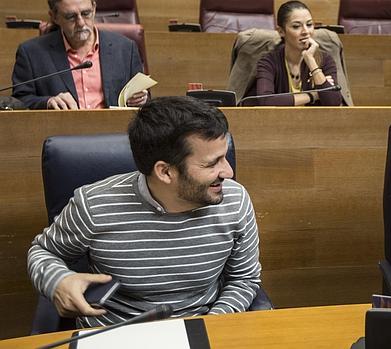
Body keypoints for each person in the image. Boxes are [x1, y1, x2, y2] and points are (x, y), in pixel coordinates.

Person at [27, 96, 262, 328]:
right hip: (115, 333)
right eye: (213, 163)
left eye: (225, 157)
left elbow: (244, 279)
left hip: (202, 326)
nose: (228, 172)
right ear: (165, 172)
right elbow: (43, 252)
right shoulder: (94, 205)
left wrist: (209, 325)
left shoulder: (234, 200)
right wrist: (58, 280)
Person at [11, 0, 147, 110]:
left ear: (94, 8)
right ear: (54, 17)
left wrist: (140, 99)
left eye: (86, 13)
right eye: (70, 16)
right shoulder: (31, 53)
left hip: (114, 133)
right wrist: (48, 102)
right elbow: (19, 100)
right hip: (62, 135)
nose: (81, 23)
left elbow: (144, 98)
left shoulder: (125, 48)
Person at [253, 0, 342, 106]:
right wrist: (313, 95)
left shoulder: (325, 60)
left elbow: (334, 102)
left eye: (309, 24)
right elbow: (266, 101)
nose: (305, 32)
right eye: (296, 26)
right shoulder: (268, 62)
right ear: (281, 31)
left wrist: (312, 63)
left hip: (316, 122)